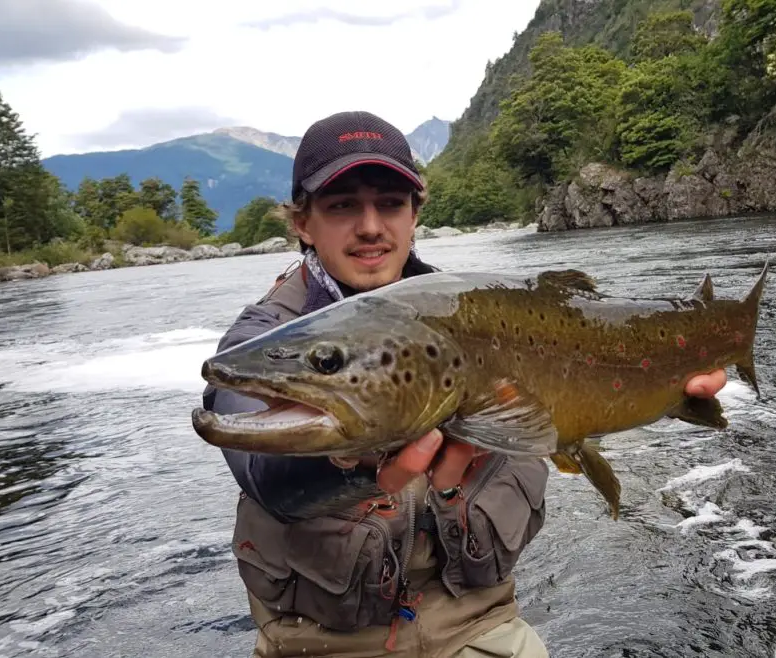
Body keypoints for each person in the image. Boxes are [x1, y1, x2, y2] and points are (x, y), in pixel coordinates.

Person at [201, 110, 729, 657]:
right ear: (302, 223)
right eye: (341, 207)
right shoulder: (266, 337)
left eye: (390, 204)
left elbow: (587, 385)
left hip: (479, 625)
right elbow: (260, 469)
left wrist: (660, 390)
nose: (370, 226)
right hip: (317, 644)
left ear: (414, 215)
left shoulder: (480, 312)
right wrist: (355, 463)